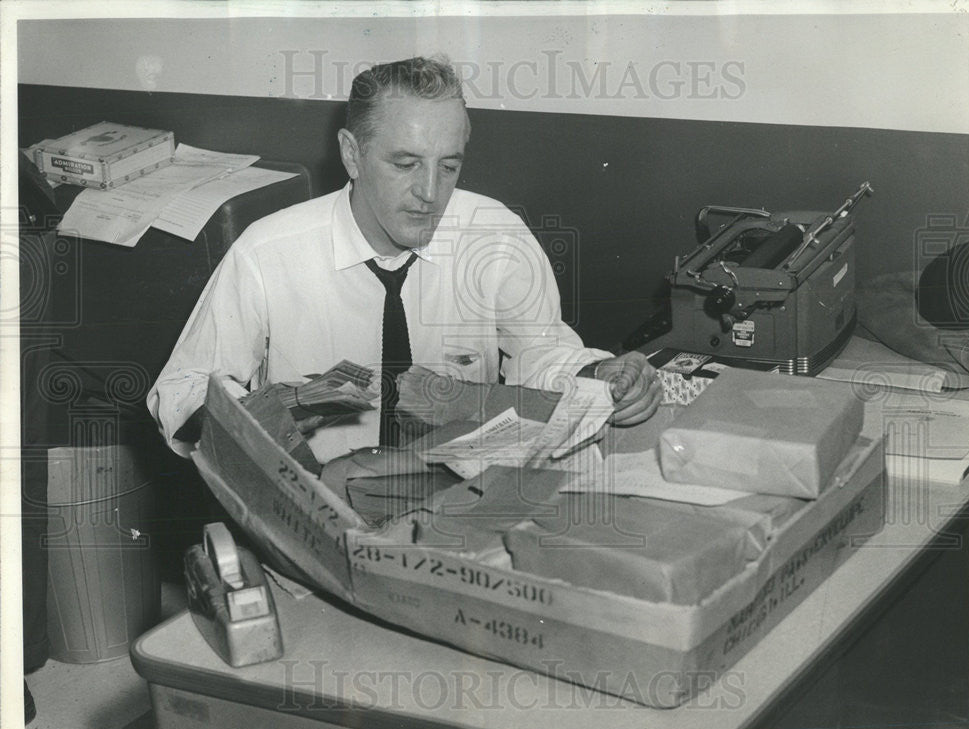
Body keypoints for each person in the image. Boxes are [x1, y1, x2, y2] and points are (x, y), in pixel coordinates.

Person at [148, 56, 660, 460]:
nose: (430, 193)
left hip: (458, 488)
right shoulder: (268, 252)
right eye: (405, 163)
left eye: (449, 166)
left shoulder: (493, 234)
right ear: (352, 154)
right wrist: (262, 414)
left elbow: (542, 354)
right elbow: (180, 391)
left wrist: (600, 378)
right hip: (316, 494)